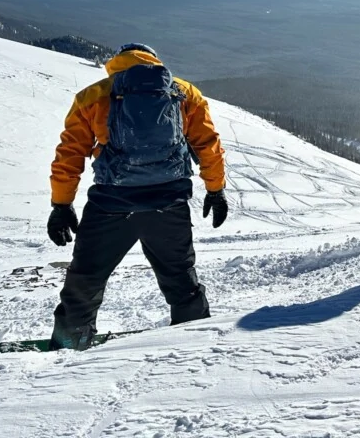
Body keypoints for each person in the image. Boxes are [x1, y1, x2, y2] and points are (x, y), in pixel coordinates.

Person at [47, 42, 228, 350]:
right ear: (153, 60)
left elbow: (70, 154)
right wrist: (216, 190)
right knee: (180, 278)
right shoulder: (182, 92)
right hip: (168, 204)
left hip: (111, 204)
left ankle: (70, 342)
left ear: (117, 62)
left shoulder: (94, 95)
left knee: (86, 279)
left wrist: (61, 204)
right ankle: (194, 343)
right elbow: (208, 145)